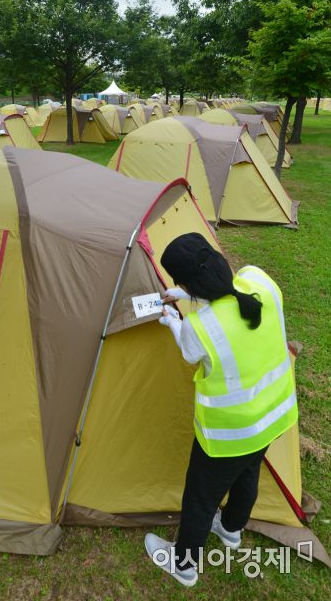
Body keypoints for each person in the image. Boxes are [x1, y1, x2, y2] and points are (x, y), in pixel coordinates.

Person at [144, 232, 298, 588]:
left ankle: (183, 565)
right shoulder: (260, 281)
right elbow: (231, 291)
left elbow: (189, 349)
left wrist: (171, 317)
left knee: (200, 496)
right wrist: (189, 293)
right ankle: (230, 531)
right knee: (248, 474)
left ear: (188, 282)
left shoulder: (201, 327)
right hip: (272, 417)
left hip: (229, 433)